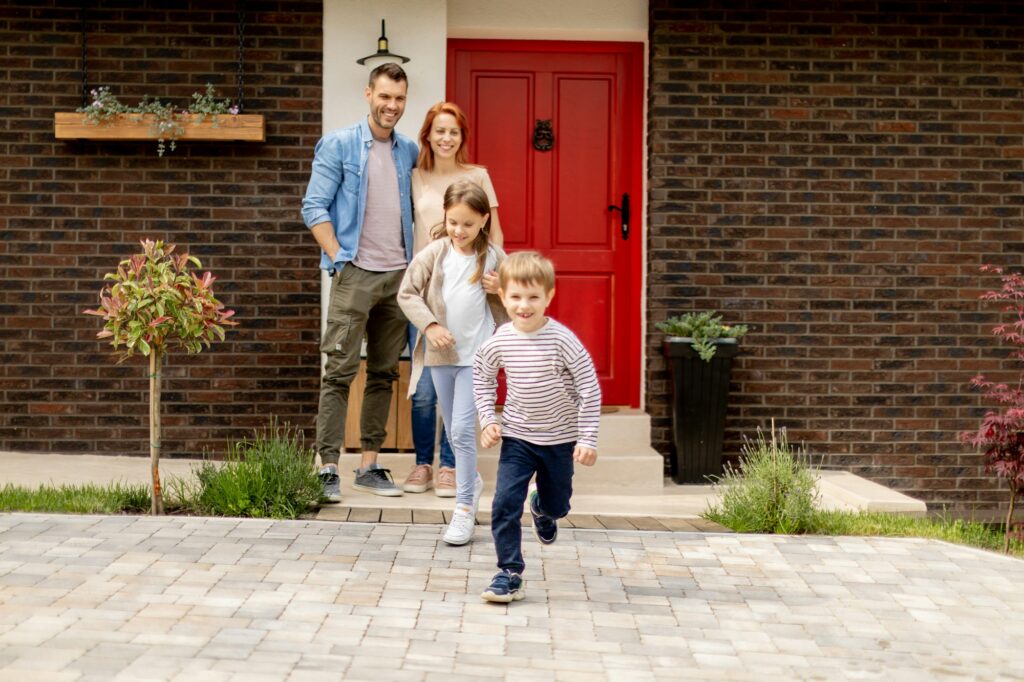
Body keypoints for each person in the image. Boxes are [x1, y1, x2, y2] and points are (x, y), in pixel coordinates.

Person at [300, 62, 418, 501]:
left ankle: (370, 465)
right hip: (355, 274)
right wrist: (339, 258)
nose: (392, 106)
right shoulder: (340, 145)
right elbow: (314, 208)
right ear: (369, 94)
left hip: (398, 278)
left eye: (400, 99)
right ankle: (327, 466)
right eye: (385, 96)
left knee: (385, 373)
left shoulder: (408, 151)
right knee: (339, 372)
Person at [472, 251, 601, 603]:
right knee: (502, 503)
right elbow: (482, 378)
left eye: (533, 297)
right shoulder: (499, 340)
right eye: (515, 297)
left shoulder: (562, 340)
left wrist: (587, 437)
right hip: (517, 437)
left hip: (560, 439)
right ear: (503, 296)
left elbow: (589, 386)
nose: (524, 305)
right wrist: (487, 419)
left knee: (559, 504)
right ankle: (509, 572)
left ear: (549, 296)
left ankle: (543, 508)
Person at [402, 101, 504, 497]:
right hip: (429, 295)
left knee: (464, 383)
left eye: (454, 132)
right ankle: (422, 463)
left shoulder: (477, 176)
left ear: (462, 138)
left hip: (472, 286)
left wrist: (496, 279)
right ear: (427, 135)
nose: (446, 138)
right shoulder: (414, 176)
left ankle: (450, 465)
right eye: (439, 130)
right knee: (425, 387)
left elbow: (494, 234)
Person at [398, 180, 508, 545]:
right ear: (445, 217)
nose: (459, 231)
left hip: (478, 357)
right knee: (451, 425)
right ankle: (470, 480)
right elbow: (407, 292)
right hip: (442, 356)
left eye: (467, 224)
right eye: (453, 222)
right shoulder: (435, 253)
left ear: (483, 222)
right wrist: (429, 325)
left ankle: (463, 508)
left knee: (461, 430)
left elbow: (520, 299)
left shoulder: (493, 258)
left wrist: (501, 290)